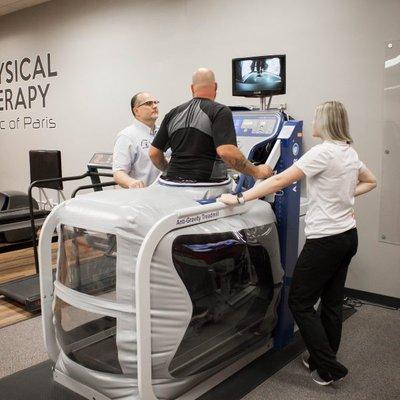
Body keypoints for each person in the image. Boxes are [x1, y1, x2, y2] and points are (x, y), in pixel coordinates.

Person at [218, 101, 377, 386]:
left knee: (299, 301)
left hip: (325, 242)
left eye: (317, 118)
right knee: (330, 301)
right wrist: (343, 198)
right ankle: (320, 360)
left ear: (324, 122)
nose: (313, 123)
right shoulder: (348, 152)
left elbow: (279, 180)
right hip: (347, 236)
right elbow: (371, 181)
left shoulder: (322, 152)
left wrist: (241, 198)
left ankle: (328, 366)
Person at [149, 68, 272, 185]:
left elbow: (154, 153)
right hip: (207, 186)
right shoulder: (220, 111)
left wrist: (168, 169)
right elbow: (227, 152)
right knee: (264, 207)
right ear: (216, 86)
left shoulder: (173, 113)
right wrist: (257, 171)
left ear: (192, 88)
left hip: (171, 183)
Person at [112, 92, 161, 189]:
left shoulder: (163, 132)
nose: (154, 106)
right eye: (148, 103)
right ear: (136, 111)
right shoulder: (127, 136)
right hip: (140, 196)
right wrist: (131, 182)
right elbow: (118, 172)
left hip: (164, 195)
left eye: (155, 102)